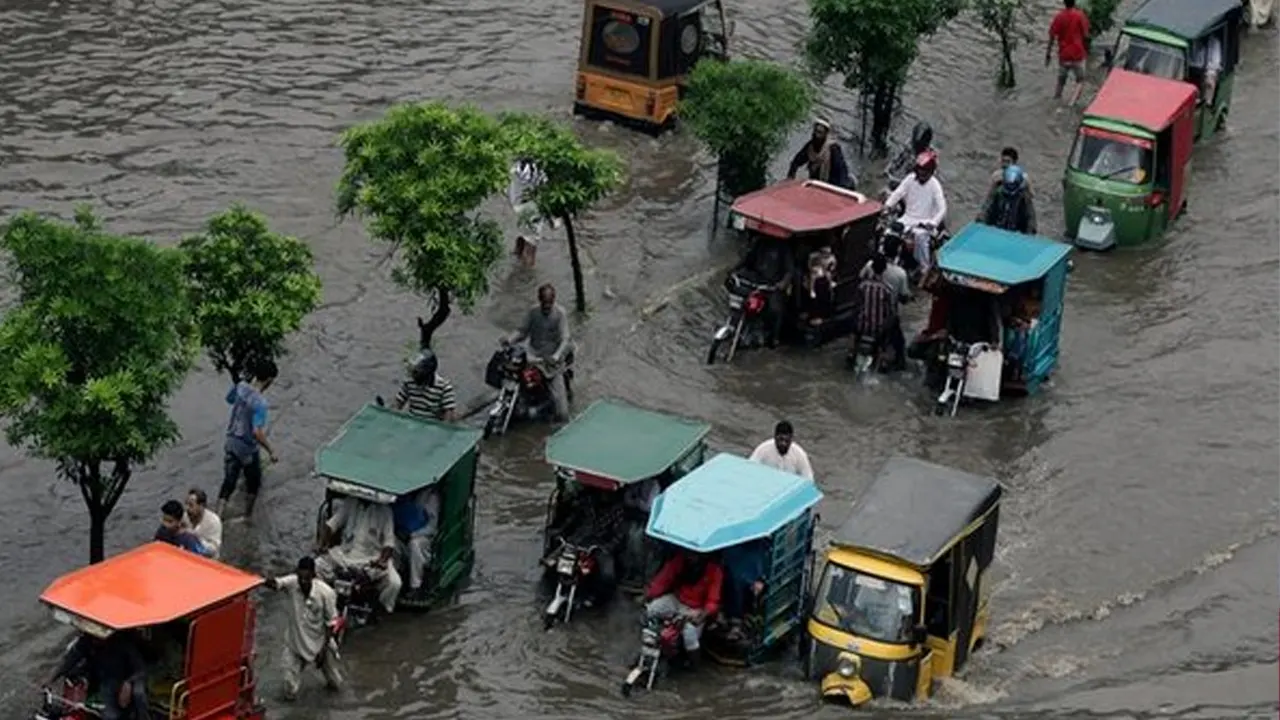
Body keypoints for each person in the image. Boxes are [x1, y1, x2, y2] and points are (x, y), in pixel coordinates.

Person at [264, 557, 343, 702]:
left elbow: (331, 623)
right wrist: (257, 579)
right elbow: (276, 583)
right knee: (289, 688)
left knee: (335, 684)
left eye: (307, 578)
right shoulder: (292, 583)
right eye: (301, 578)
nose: (303, 582)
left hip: (320, 643)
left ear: (314, 575)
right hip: (296, 644)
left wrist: (323, 650)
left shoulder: (326, 593)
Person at [315, 496, 401, 615]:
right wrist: (322, 544)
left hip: (371, 560)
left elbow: (389, 543)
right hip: (345, 555)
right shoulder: (351, 502)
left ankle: (380, 611)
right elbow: (331, 525)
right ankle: (323, 600)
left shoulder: (385, 511)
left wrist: (382, 560)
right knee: (317, 565)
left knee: (395, 583)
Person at [219, 357, 278, 518]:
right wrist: (271, 450)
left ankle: (219, 516)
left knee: (229, 482)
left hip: (231, 442)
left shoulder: (241, 387)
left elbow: (229, 399)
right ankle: (247, 517)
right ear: (269, 380)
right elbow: (256, 432)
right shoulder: (261, 403)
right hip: (247, 448)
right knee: (254, 484)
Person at [643, 549, 725, 665]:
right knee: (652, 609)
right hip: (677, 599)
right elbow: (664, 580)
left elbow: (713, 601)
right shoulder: (680, 561)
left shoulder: (715, 571)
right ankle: (652, 641)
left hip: (697, 608)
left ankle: (694, 662)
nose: (690, 557)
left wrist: (701, 615)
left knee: (690, 635)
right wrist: (650, 594)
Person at [505, 283, 574, 421]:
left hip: (551, 362)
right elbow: (522, 331)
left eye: (549, 303)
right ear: (539, 299)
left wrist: (557, 355)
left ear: (554, 300)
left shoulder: (560, 314)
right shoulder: (533, 312)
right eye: (544, 303)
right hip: (533, 357)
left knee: (562, 413)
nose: (547, 306)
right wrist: (509, 339)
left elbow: (565, 338)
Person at [545, 488, 623, 604]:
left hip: (599, 545)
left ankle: (598, 599)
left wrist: (608, 546)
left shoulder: (617, 510)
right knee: (551, 562)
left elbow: (618, 534)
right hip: (578, 539)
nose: (603, 495)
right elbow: (572, 519)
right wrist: (559, 531)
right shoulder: (586, 501)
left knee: (607, 574)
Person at [48, 630, 149, 720]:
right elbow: (70, 660)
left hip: (119, 679)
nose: (95, 640)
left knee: (136, 695)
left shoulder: (123, 645)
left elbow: (141, 669)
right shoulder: (87, 641)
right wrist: (53, 678)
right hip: (96, 677)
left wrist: (128, 682)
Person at [882, 150, 947, 276]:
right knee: (889, 233)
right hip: (907, 219)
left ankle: (924, 267)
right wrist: (887, 206)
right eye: (920, 172)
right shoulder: (910, 179)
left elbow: (942, 208)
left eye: (925, 173)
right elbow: (898, 193)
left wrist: (933, 222)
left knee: (920, 238)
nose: (922, 175)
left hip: (924, 223)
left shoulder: (935, 185)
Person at [854, 255, 907, 371]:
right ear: (884, 270)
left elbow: (857, 306)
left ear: (872, 268)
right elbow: (890, 311)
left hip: (862, 327)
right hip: (879, 329)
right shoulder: (887, 289)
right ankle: (898, 363)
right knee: (898, 341)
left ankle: (853, 352)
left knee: (856, 340)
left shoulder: (862, 286)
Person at [739, 237, 795, 347]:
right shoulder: (759, 244)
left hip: (773, 285)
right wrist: (734, 270)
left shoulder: (783, 249)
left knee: (775, 310)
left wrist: (782, 283)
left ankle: (774, 338)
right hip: (757, 282)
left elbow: (789, 271)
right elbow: (747, 261)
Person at [392, 487, 441, 598]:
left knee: (415, 545)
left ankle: (415, 587)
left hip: (422, 538)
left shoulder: (431, 497)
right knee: (392, 542)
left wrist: (412, 535)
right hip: (402, 534)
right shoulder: (403, 491)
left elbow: (432, 528)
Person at [786, 118, 854, 189]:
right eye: (815, 131)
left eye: (820, 132)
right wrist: (790, 177)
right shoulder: (810, 147)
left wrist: (841, 188)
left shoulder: (833, 148)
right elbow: (796, 161)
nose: (817, 135)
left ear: (825, 133)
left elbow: (841, 170)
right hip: (816, 185)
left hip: (833, 186)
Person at [392, 349, 457, 422]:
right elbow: (397, 404)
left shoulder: (444, 387)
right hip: (412, 423)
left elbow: (448, 417)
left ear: (427, 373)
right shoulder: (409, 382)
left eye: (417, 372)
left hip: (432, 426)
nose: (413, 375)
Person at [1046, 0, 1090, 106]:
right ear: (1074, 2)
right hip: (1078, 54)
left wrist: (1048, 54)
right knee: (1080, 81)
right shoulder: (1080, 15)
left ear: (1064, 2)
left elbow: (1052, 36)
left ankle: (1056, 100)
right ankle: (1072, 103)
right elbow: (1086, 35)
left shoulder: (1059, 17)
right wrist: (1087, 50)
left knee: (1061, 82)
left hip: (1064, 55)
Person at [720, 539, 767, 637]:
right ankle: (734, 622)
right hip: (735, 568)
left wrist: (761, 578)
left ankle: (738, 623)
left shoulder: (759, 545)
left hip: (752, 575)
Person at [981, 165, 1038, 235]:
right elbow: (986, 210)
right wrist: (981, 226)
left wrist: (1028, 236)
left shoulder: (1024, 198)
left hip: (1015, 235)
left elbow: (1031, 219)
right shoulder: (996, 193)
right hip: (994, 231)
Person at [748, 421, 815, 480]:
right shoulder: (763, 450)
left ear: (791, 439)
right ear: (775, 437)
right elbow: (750, 469)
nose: (783, 444)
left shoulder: (799, 454)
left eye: (786, 441)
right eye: (780, 440)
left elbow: (808, 478)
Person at [183, 489, 223, 559]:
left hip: (206, 561)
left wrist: (196, 538)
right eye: (186, 504)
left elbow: (213, 549)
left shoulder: (213, 521)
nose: (187, 508)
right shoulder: (184, 517)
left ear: (201, 506)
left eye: (191, 505)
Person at [1189, 34, 1223, 106]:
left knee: (1209, 79)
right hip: (1194, 68)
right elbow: (1191, 58)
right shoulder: (1194, 40)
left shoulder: (1215, 42)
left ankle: (1207, 103)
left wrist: (1204, 69)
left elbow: (1215, 63)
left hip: (1209, 70)